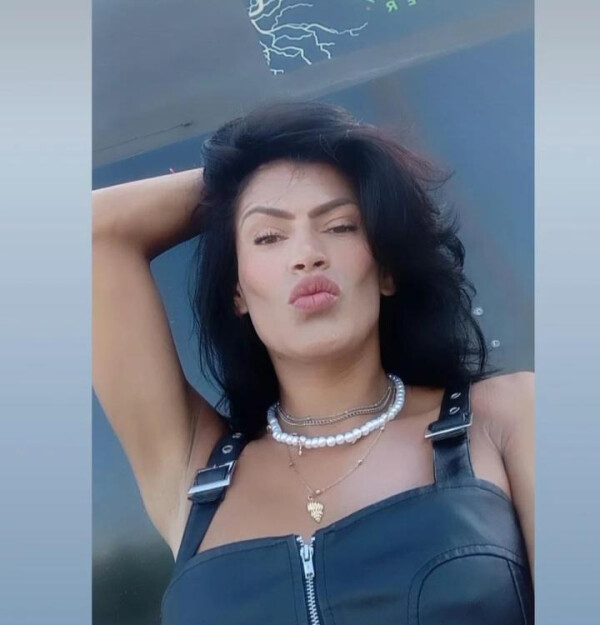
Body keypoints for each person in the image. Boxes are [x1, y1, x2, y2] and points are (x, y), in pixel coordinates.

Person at [93, 100, 534, 624]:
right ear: (238, 290)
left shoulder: (505, 417)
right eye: (268, 236)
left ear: (385, 269)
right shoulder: (193, 468)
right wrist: (240, 178)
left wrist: (357, 172)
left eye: (340, 226)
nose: (306, 253)